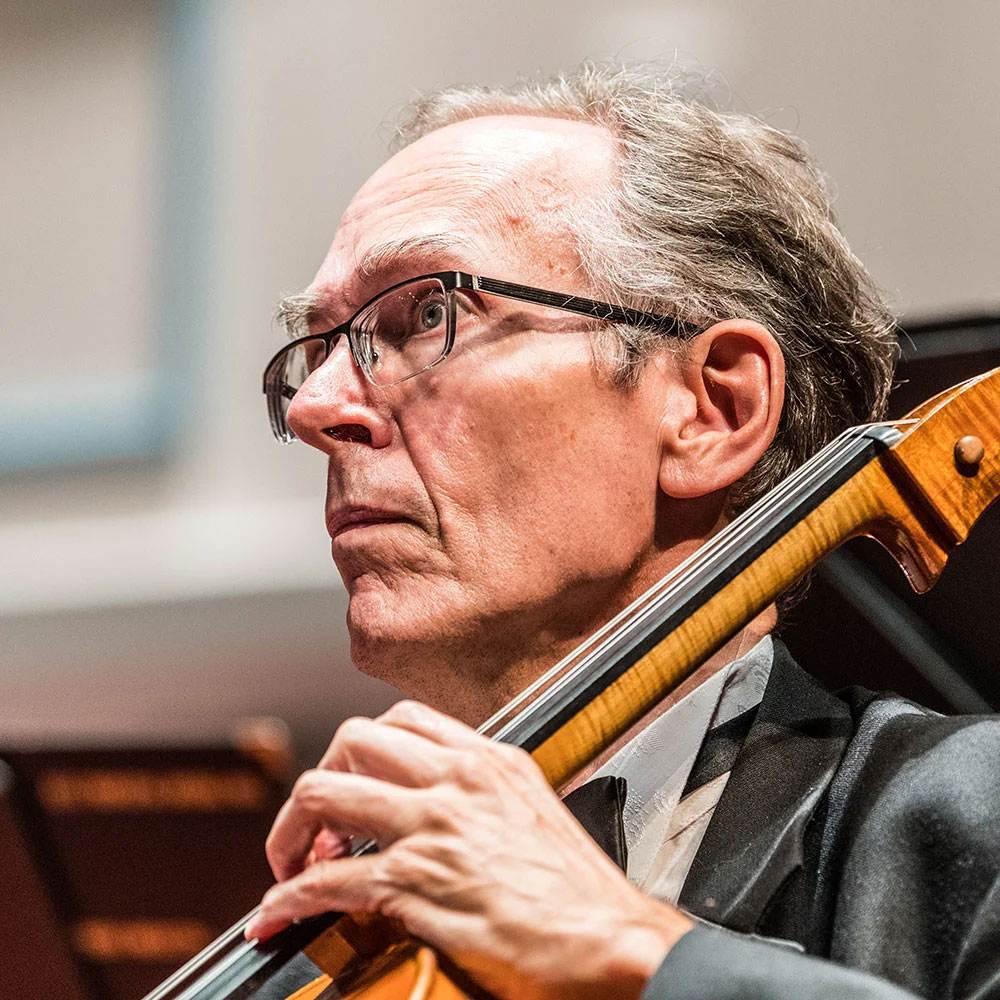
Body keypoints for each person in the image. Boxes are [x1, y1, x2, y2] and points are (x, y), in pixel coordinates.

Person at [245, 65, 1000, 999]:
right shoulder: (344, 936)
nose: (318, 405)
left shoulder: (971, 822)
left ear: (713, 408)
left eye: (431, 312)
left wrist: (630, 947)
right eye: (316, 350)